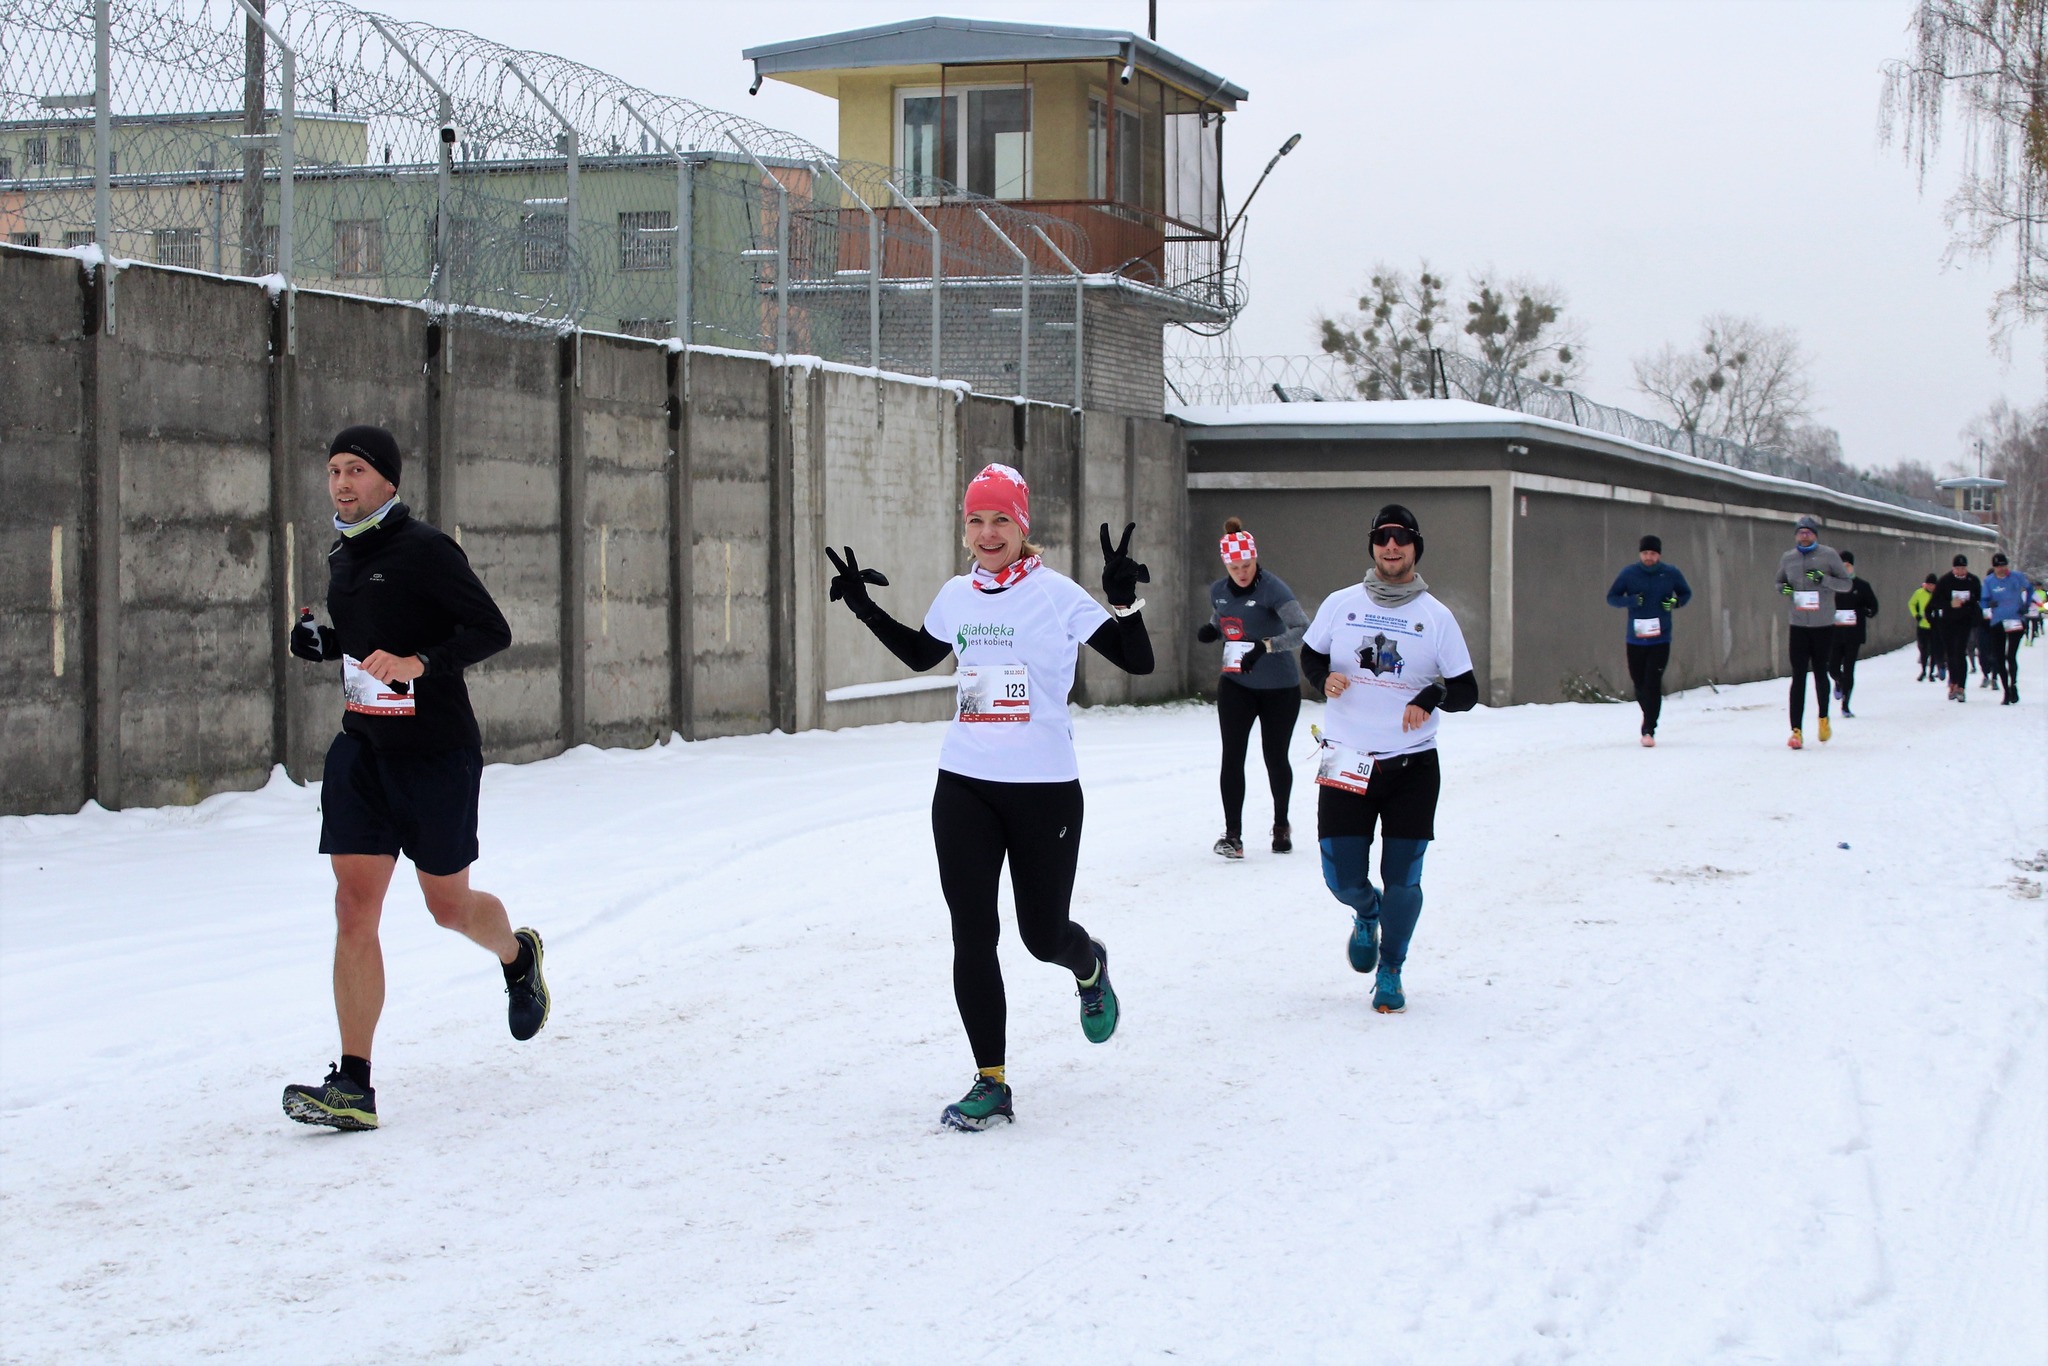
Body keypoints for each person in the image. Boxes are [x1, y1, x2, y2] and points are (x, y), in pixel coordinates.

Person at [824, 463, 1154, 1132]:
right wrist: (862, 607)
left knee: (1041, 936)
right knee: (972, 933)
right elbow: (923, 654)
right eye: (975, 519)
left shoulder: (1057, 595)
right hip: (965, 784)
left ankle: (1088, 966)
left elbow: (1136, 661)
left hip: (1044, 791)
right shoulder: (957, 594)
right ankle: (991, 1080)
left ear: (1022, 525)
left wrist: (1124, 604)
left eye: (1000, 519)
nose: (986, 532)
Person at [282, 426, 544, 1132]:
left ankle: (518, 956)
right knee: (353, 908)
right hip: (364, 754)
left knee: (447, 907)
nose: (341, 483)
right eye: (333, 469)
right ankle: (355, 1084)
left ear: (388, 481)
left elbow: (491, 630)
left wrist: (423, 663)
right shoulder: (344, 554)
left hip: (436, 756)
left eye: (357, 470)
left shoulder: (425, 550)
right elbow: (371, 645)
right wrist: (327, 645)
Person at [1300, 504, 1478, 1015]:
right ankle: (1365, 912)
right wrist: (1322, 678)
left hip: (1411, 766)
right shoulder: (1341, 603)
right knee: (1341, 878)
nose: (1391, 547)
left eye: (1401, 538)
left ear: (1415, 547)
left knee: (1405, 879)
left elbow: (1466, 690)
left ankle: (1392, 969)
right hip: (1346, 759)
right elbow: (1311, 655)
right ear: (1373, 546)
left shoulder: (1435, 617)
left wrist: (1431, 696)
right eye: (1382, 538)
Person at [1197, 517, 1310, 858]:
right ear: (1226, 566)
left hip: (1279, 687)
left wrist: (1266, 646)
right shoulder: (1219, 591)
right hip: (1236, 684)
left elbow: (1302, 628)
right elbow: (1224, 620)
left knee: (1275, 758)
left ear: (1255, 560)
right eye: (1234, 567)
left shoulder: (1273, 589)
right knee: (1232, 757)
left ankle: (1280, 825)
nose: (1241, 573)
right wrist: (1212, 631)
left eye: (1246, 565)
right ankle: (1233, 836)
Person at [1603, 534, 1692, 746]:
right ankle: (1649, 713)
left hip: (1660, 638)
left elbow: (1685, 593)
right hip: (1635, 639)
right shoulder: (1629, 573)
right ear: (1640, 554)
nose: (1648, 557)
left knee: (1653, 682)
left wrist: (1674, 603)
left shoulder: (1670, 573)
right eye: (1645, 553)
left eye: (1652, 553)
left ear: (1659, 555)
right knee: (1639, 682)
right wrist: (1631, 601)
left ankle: (1648, 728)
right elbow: (1612, 597)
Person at [1773, 515, 1853, 749]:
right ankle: (1796, 730)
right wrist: (1785, 589)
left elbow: (1846, 584)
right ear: (1796, 535)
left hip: (1823, 625)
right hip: (1798, 624)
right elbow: (1778, 583)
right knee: (1798, 676)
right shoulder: (1788, 558)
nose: (1804, 535)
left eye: (1808, 532)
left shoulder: (1828, 555)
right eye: (1800, 532)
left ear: (1815, 535)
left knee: (1820, 673)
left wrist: (1823, 579)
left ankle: (1823, 719)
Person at [1925, 554, 1985, 703]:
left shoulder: (1972, 580)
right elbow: (1935, 602)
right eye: (1958, 568)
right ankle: (1953, 683)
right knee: (1951, 654)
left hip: (1964, 622)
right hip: (1948, 623)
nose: (1960, 571)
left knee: (1960, 653)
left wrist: (1968, 602)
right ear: (1953, 568)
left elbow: (1979, 599)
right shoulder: (1945, 581)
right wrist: (1948, 605)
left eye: (1963, 568)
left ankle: (1961, 687)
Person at [1828, 550, 1879, 717]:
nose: (1844, 569)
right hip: (1835, 633)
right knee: (1833, 667)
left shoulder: (1862, 586)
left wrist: (1863, 611)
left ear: (1852, 567)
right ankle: (1839, 681)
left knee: (1849, 668)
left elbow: (1873, 607)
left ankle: (1845, 704)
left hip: (1853, 635)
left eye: (1847, 566)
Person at [1981, 552, 2034, 704]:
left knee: (2010, 656)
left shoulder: (2016, 577)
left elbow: (2029, 589)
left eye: (2003, 566)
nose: (2001, 569)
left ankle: (2013, 685)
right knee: (1999, 657)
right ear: (1994, 567)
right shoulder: (1989, 581)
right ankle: (2006, 690)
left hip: (2016, 620)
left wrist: (2026, 605)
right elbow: (1983, 601)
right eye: (1998, 567)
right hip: (1997, 622)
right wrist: (1987, 608)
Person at [1908, 573, 1939, 682]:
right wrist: (1916, 615)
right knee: (1923, 649)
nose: (1931, 587)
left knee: (1934, 649)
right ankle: (1923, 670)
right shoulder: (1919, 593)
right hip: (1922, 625)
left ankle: (1931, 672)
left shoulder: (1938, 595)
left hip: (1934, 626)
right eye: (1929, 584)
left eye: (1933, 585)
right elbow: (1911, 603)